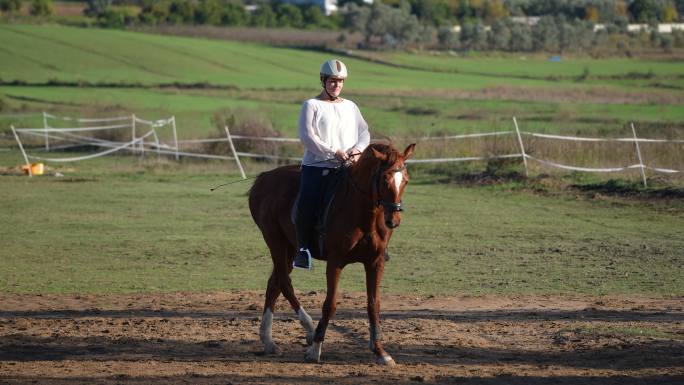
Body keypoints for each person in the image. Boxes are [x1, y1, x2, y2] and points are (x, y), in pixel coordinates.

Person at [293, 59, 370, 270]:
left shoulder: (351, 106)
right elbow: (308, 137)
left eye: (340, 81)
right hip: (317, 167)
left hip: (348, 166)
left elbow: (364, 132)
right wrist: (333, 151)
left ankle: (376, 244)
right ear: (323, 81)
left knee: (373, 196)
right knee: (307, 204)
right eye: (332, 81)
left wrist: (357, 150)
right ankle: (303, 250)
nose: (336, 85)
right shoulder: (311, 105)